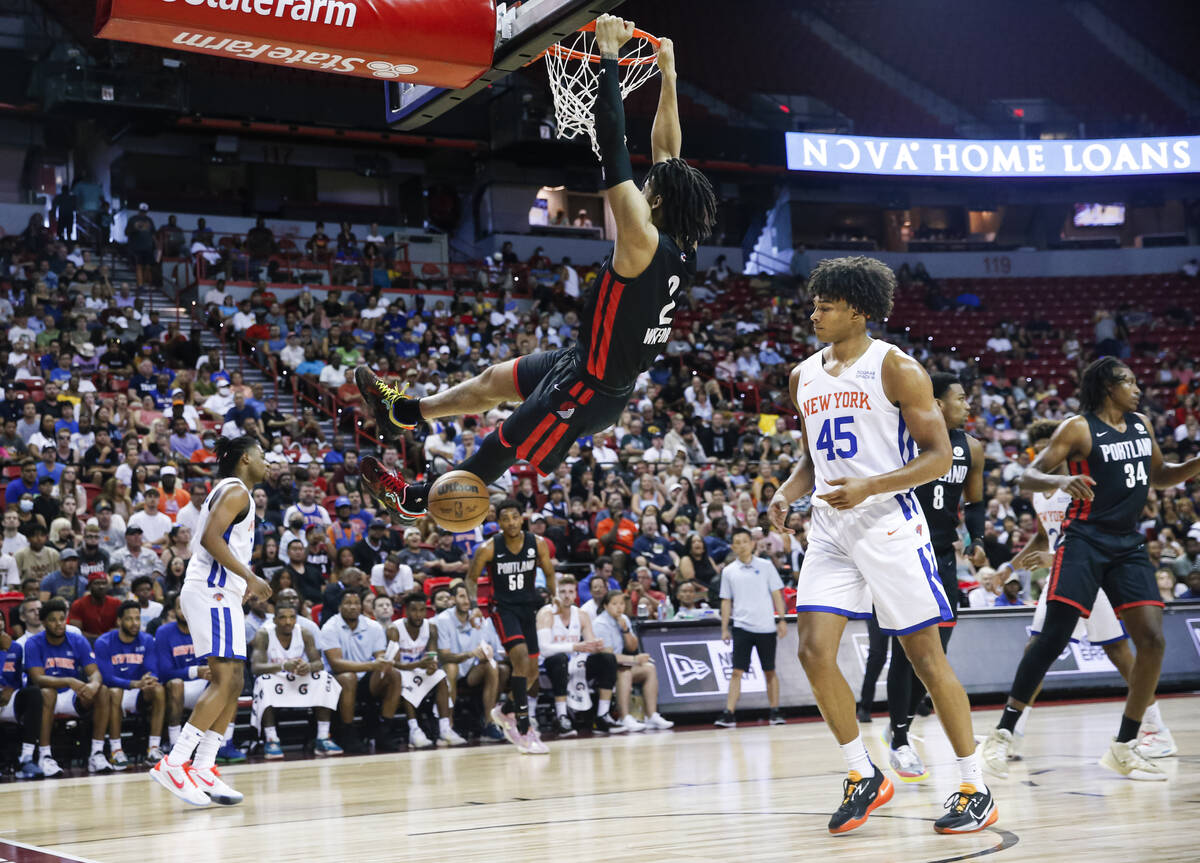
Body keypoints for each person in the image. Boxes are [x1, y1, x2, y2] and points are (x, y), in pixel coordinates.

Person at [352, 18, 716, 523]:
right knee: (490, 382)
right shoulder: (683, 239)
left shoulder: (641, 237)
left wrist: (608, 57)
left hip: (590, 389)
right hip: (585, 362)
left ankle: (416, 502)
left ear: (654, 199)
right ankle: (405, 412)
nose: (649, 180)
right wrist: (668, 75)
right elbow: (669, 153)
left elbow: (613, 146)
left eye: (651, 183)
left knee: (498, 447)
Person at [767, 256, 997, 834]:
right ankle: (861, 773)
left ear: (859, 310)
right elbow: (811, 456)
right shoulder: (803, 375)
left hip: (888, 523)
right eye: (814, 303)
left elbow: (939, 457)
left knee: (924, 659)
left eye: (826, 305)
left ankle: (974, 785)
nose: (814, 313)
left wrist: (871, 484)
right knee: (813, 651)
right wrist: (788, 490)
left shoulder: (897, 368)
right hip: (829, 527)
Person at [978, 358, 1199, 781]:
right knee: (1051, 638)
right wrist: (1060, 482)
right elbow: (1027, 476)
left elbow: (1163, 476)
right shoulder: (1077, 428)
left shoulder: (1140, 424)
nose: (1137, 388)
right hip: (1084, 539)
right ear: (1106, 387)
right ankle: (1003, 734)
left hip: (1128, 543)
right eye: (1128, 381)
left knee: (1151, 640)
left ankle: (1125, 744)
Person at [1004, 419, 1175, 760]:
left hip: (1089, 571)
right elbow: (1044, 536)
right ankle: (1012, 732)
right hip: (1064, 572)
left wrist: (1052, 556)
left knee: (1120, 653)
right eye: (1037, 452)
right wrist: (1008, 568)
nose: (1044, 456)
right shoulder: (1041, 491)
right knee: (1035, 649)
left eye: (1047, 449)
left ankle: (1156, 728)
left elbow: (1088, 534)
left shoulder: (1087, 483)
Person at [149, 437, 272, 808]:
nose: (268, 463)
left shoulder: (232, 491)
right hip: (210, 590)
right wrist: (249, 577)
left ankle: (203, 766)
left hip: (221, 592)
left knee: (234, 680)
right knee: (224, 678)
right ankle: (174, 762)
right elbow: (209, 539)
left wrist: (240, 584)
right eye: (263, 456)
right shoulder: (236, 492)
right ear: (246, 459)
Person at [882, 373, 987, 781]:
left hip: (943, 555)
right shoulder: (907, 440)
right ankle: (900, 738)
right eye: (961, 398)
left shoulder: (972, 448)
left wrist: (976, 538)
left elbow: (975, 500)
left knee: (935, 652)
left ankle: (907, 726)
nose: (968, 405)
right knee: (904, 652)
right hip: (904, 552)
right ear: (939, 404)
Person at [467, 500, 558, 754]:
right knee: (519, 660)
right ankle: (524, 728)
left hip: (528, 607)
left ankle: (504, 710)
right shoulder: (488, 547)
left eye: (515, 517)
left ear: (522, 519)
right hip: (503, 609)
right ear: (499, 521)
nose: (510, 523)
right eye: (505, 518)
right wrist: (474, 605)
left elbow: (550, 572)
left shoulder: (537, 544)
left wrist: (554, 594)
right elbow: (471, 578)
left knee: (531, 673)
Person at [24, 597, 111, 775]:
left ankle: (97, 753)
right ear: (44, 622)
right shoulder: (33, 643)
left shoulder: (77, 640)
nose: (59, 624)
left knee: (102, 692)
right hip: (45, 699)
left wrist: (94, 684)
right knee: (48, 693)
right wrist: (69, 681)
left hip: (72, 697)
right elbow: (38, 678)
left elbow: (94, 672)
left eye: (62, 619)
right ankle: (45, 756)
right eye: (53, 620)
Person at [713, 527, 787, 728]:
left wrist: (781, 619)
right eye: (737, 542)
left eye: (745, 541)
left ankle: (775, 711)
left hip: (765, 627)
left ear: (752, 543)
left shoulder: (765, 566)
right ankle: (729, 713)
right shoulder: (728, 572)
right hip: (742, 627)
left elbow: (776, 594)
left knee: (769, 671)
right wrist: (724, 628)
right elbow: (726, 601)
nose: (741, 545)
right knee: (737, 671)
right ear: (733, 546)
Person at [249, 602, 343, 758]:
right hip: (275, 677)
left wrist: (308, 667)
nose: (288, 622)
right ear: (274, 620)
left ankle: (323, 737)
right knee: (264, 682)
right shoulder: (264, 634)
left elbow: (318, 663)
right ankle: (272, 739)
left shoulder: (304, 633)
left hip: (298, 677)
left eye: (292, 617)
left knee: (324, 678)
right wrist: (284, 665)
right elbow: (256, 667)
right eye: (283, 618)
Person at [536, 575, 627, 736]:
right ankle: (562, 717)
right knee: (560, 659)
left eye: (570, 591)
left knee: (607, 659)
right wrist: (575, 646)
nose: (566, 595)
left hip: (576, 662)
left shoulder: (581, 615)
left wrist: (597, 646)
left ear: (575, 594)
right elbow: (544, 649)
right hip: (549, 666)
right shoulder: (546, 613)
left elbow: (589, 644)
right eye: (562, 591)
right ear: (555, 593)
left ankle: (602, 715)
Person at [320, 587, 404, 754]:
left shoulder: (373, 626)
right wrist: (372, 665)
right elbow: (336, 664)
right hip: (336, 681)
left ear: (362, 607)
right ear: (339, 607)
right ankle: (348, 733)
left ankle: (384, 731)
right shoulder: (330, 627)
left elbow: (380, 656)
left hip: (366, 679)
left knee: (394, 674)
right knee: (348, 677)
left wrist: (386, 660)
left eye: (356, 603)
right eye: (348, 603)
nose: (352, 607)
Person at [385, 591, 466, 748]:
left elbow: (432, 656)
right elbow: (393, 664)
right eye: (414, 610)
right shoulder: (394, 629)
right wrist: (417, 665)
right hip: (400, 671)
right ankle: (414, 730)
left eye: (422, 610)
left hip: (420, 670)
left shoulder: (431, 628)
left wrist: (431, 666)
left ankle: (445, 728)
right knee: (405, 679)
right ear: (406, 611)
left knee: (441, 676)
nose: (418, 615)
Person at [95, 600, 166, 768]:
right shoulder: (103, 642)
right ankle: (116, 750)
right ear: (119, 621)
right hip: (118, 689)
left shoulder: (147, 640)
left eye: (137, 618)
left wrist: (150, 679)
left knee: (158, 689)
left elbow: (153, 669)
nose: (135, 623)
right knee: (114, 691)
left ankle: (154, 749)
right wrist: (134, 683)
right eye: (129, 619)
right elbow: (107, 677)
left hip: (139, 690)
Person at [435, 583, 508, 742]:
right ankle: (448, 725)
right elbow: (444, 656)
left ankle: (489, 723)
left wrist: (486, 652)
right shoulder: (443, 620)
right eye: (462, 596)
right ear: (453, 599)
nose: (466, 600)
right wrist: (471, 654)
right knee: (452, 668)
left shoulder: (479, 619)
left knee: (493, 665)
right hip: (447, 670)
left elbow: (488, 648)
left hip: (470, 671)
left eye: (469, 597)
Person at [591, 591, 671, 731]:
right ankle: (624, 717)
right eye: (614, 604)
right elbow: (608, 657)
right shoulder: (600, 624)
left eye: (621, 603)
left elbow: (632, 647)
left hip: (620, 663)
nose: (619, 607)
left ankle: (651, 715)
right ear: (605, 606)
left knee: (649, 668)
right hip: (601, 668)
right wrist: (634, 659)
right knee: (625, 672)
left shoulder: (624, 619)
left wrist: (626, 630)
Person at [0, 611, 47, 779]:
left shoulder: (16, 647)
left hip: (6, 699)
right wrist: (4, 653)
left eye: (0, 619)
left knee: (33, 693)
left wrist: (12, 688)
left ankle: (26, 757)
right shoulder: (7, 647)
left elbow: (18, 680)